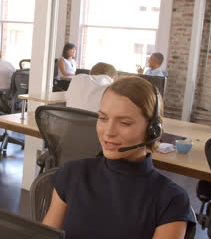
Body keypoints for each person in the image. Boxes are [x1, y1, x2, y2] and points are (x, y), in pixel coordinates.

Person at [43, 76, 195, 239]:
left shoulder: (171, 201)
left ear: (152, 130)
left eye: (124, 123)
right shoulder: (72, 174)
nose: (108, 131)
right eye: (103, 118)